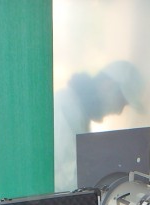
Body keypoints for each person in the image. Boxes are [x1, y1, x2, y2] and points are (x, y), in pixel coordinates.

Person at [53, 60, 144, 192]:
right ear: (107, 86)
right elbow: (64, 179)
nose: (119, 111)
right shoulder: (66, 107)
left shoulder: (79, 111)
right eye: (121, 101)